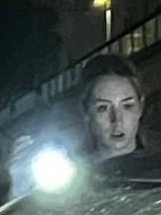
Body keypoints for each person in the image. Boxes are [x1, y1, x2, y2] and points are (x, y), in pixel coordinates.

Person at [9, 54, 148, 196]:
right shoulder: (68, 180)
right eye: (103, 108)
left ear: (140, 107)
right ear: (86, 112)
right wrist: (20, 185)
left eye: (127, 106)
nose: (117, 119)